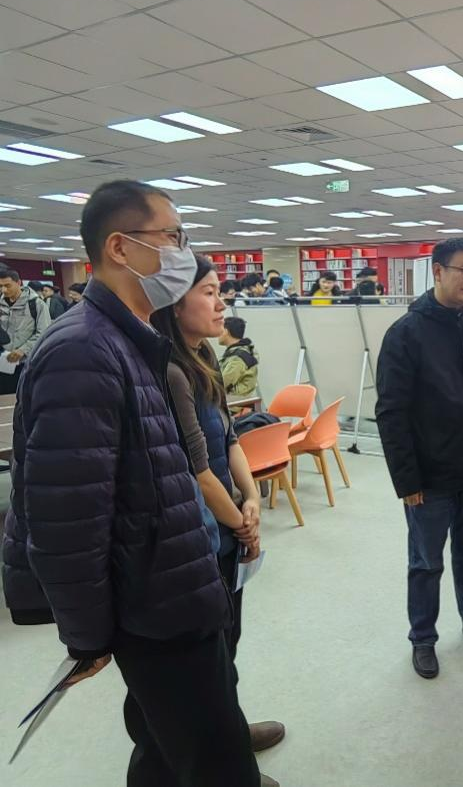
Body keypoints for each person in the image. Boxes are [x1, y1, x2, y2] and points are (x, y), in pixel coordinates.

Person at [1, 180, 263, 786]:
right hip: (154, 602)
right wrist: (87, 635)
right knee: (216, 764)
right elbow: (65, 516)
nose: (182, 252)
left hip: (172, 583)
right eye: (173, 237)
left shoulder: (130, 341)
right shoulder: (84, 350)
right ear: (120, 247)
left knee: (166, 747)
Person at [151, 254, 285, 761]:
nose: (221, 303)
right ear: (174, 302)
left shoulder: (205, 355)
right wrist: (242, 524)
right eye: (208, 293)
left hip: (228, 523)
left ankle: (229, 733)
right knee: (203, 659)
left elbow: (229, 439)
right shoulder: (169, 371)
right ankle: (217, 756)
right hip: (200, 535)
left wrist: (251, 500)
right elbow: (196, 468)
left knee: (228, 642)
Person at [375, 238, 463, 681]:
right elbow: (391, 412)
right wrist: (406, 480)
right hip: (430, 478)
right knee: (426, 563)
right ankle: (423, 638)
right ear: (437, 271)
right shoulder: (406, 333)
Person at [0, 267, 52, 395]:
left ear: (18, 283)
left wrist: (23, 350)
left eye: (7, 285)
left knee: (23, 398)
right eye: (0, 286)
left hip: (26, 364)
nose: (3, 290)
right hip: (3, 363)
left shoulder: (36, 304)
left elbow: (44, 333)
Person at [219, 316, 260, 396]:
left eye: (220, 330)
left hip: (234, 401)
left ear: (226, 331)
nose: (218, 334)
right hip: (235, 399)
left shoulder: (238, 357)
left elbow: (221, 384)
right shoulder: (237, 353)